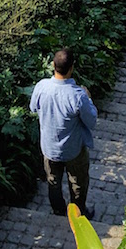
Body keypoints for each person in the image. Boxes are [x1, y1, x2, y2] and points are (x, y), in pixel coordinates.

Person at [30, 47, 97, 218]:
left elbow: (33, 108)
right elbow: (91, 121)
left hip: (49, 148)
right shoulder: (78, 95)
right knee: (78, 183)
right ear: (72, 67)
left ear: (53, 65)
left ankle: (58, 209)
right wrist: (88, 97)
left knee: (53, 181)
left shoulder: (41, 87)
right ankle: (78, 213)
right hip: (73, 149)